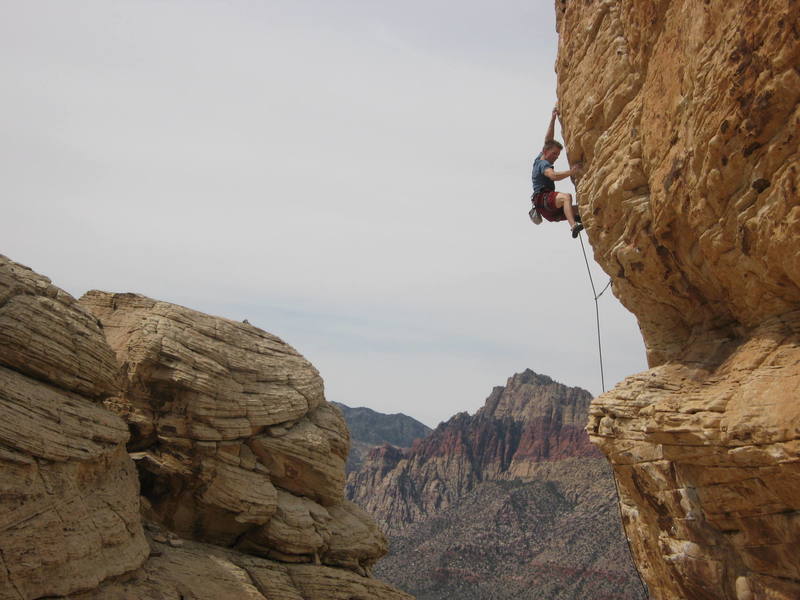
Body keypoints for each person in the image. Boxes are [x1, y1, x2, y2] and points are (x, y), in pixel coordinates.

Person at [531, 108, 584, 238]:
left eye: (558, 154)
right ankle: (573, 226)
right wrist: (572, 171)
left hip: (548, 209)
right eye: (554, 153)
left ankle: (582, 222)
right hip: (544, 200)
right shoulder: (543, 164)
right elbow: (553, 176)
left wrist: (553, 118)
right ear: (546, 152)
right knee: (566, 197)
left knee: (582, 210)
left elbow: (548, 139)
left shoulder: (540, 157)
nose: (556, 157)